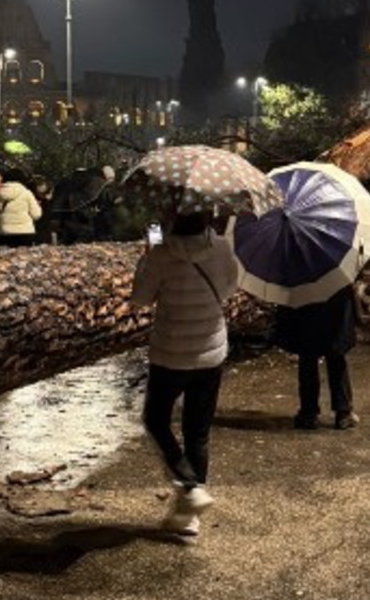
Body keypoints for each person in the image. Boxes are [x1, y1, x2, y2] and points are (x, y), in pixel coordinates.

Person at [131, 211, 239, 537]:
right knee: (198, 432)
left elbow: (140, 299)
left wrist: (148, 255)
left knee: (155, 419)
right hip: (210, 352)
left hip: (171, 355)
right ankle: (191, 516)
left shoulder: (161, 252)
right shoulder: (221, 246)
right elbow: (230, 287)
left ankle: (190, 489)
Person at [275, 286, 360, 430]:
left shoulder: (296, 264)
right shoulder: (336, 265)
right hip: (335, 302)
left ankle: (308, 413)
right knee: (336, 357)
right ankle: (343, 412)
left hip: (306, 303)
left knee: (307, 357)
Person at [0, 168, 42, 247]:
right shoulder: (27, 193)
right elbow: (36, 215)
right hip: (26, 232)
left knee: (7, 258)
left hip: (5, 232)